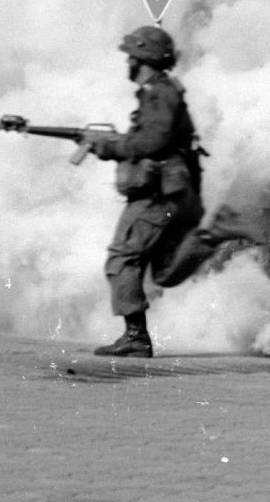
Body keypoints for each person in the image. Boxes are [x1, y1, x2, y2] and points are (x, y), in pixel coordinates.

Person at [79, 26, 259, 358]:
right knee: (164, 272)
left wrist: (110, 146)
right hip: (178, 193)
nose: (128, 62)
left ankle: (135, 337)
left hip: (157, 195)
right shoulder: (163, 91)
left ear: (142, 59)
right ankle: (212, 232)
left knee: (122, 259)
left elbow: (153, 142)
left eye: (131, 55)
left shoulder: (158, 93)